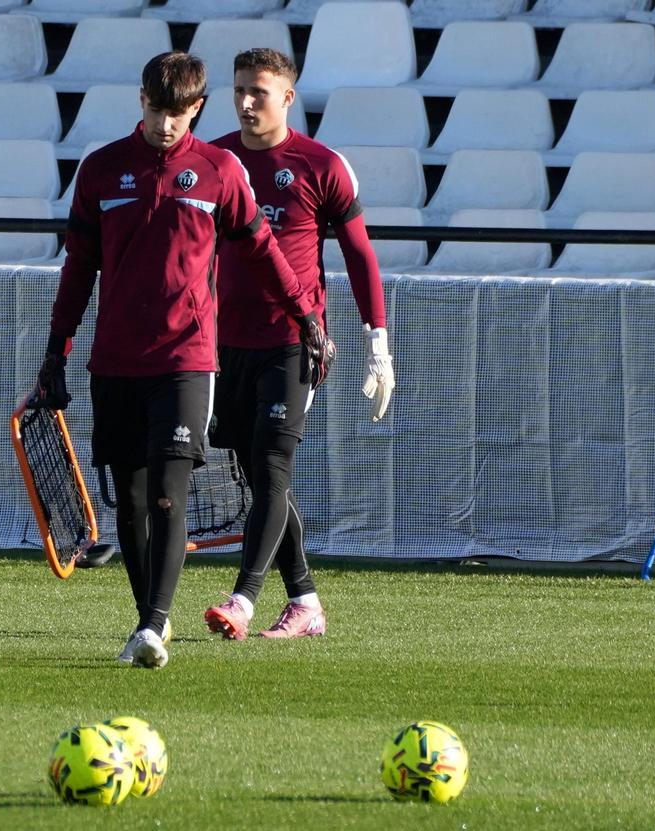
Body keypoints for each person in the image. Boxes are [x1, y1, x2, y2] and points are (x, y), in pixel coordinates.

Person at [35, 51, 329, 669]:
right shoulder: (101, 170)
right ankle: (152, 616)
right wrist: (56, 352)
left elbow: (263, 250)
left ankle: (150, 625)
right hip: (116, 360)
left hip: (187, 360)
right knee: (132, 501)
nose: (166, 125)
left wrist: (306, 317)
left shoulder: (218, 170)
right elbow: (78, 268)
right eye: (156, 110)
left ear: (196, 108)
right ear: (141, 100)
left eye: (178, 113)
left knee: (170, 494)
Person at [203, 48, 395, 641]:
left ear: (287, 97)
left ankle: (242, 599)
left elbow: (359, 255)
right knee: (262, 478)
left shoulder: (321, 165)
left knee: (271, 465)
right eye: (239, 90)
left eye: (258, 92)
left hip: (295, 340)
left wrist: (378, 343)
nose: (245, 102)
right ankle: (306, 602)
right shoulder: (214, 160)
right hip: (224, 345)